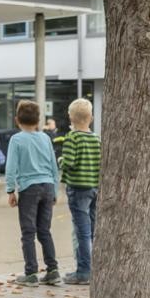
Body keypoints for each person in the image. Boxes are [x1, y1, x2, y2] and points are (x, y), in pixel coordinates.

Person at [5, 100, 61, 286]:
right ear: (38, 120)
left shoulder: (16, 139)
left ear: (17, 120)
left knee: (28, 231)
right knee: (44, 230)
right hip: (48, 186)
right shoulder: (45, 138)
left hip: (29, 189)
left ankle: (31, 273)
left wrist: (10, 190)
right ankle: (53, 270)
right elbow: (54, 166)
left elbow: (11, 167)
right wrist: (55, 191)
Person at [58, 99, 102, 286]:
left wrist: (60, 161)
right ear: (91, 118)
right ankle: (92, 268)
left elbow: (69, 162)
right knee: (91, 230)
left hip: (78, 189)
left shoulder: (72, 137)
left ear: (70, 118)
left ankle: (84, 271)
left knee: (81, 231)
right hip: (94, 188)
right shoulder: (97, 138)